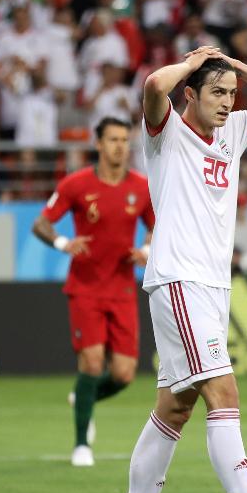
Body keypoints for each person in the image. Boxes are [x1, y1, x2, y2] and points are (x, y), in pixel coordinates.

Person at [127, 47, 247, 493]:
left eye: (232, 94)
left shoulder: (235, 130)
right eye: (217, 92)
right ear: (190, 94)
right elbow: (152, 86)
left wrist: (237, 66)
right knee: (224, 394)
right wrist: (191, 63)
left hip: (213, 286)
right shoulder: (165, 131)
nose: (228, 102)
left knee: (175, 407)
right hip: (179, 280)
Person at [32, 117, 155, 467]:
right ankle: (81, 444)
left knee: (124, 374)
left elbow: (157, 228)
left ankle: (82, 396)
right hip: (85, 287)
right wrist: (62, 242)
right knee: (91, 361)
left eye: (124, 139)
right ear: (98, 144)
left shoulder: (142, 187)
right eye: (113, 139)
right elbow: (41, 222)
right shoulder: (76, 184)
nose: (120, 146)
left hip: (122, 290)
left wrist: (145, 251)